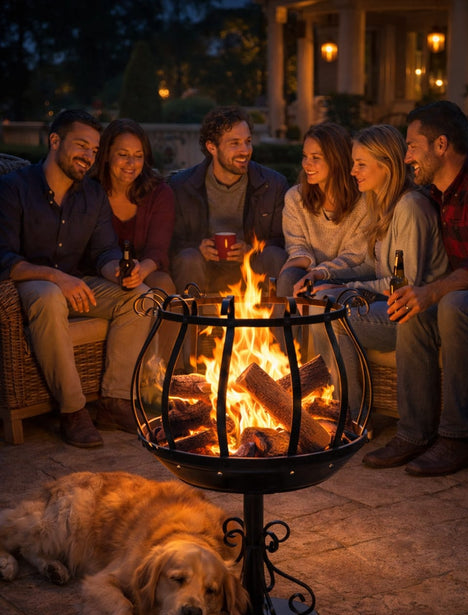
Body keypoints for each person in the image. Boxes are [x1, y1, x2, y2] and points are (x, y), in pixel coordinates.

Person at [0, 109, 152, 448]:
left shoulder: (92, 195)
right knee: (49, 293)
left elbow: (104, 251)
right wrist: (55, 277)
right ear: (55, 141)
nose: (88, 156)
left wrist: (118, 271)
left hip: (72, 285)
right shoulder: (13, 188)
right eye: (81, 145)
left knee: (142, 296)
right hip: (27, 284)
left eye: (94, 150)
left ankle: (114, 402)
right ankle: (73, 411)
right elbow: (3, 258)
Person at [363, 101, 468, 476]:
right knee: (414, 310)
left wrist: (432, 292)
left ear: (441, 145)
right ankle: (414, 434)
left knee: (455, 305)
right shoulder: (439, 196)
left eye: (412, 146)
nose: (406, 157)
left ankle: (458, 440)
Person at [296, 124, 448, 417]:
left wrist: (347, 290)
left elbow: (406, 284)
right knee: (318, 304)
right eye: (354, 163)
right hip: (392, 305)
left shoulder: (411, 207)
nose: (353, 171)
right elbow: (370, 265)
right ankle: (338, 405)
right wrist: (323, 275)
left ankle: (351, 418)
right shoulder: (379, 203)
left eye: (361, 164)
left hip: (419, 314)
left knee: (335, 317)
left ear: (387, 166)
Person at [169, 105, 288, 296]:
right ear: (212, 147)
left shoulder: (273, 184)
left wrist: (251, 250)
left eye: (248, 142)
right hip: (204, 268)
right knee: (188, 258)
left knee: (274, 255)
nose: (245, 150)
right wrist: (198, 247)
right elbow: (172, 242)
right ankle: (192, 324)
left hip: (251, 268)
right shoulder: (182, 186)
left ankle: (274, 324)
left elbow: (281, 240)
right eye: (235, 144)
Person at [276, 121, 370, 298]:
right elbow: (297, 245)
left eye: (315, 158)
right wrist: (297, 263)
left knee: (318, 289)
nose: (306, 164)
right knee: (289, 277)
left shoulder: (363, 202)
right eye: (305, 156)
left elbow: (354, 256)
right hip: (308, 272)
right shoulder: (295, 198)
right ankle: (277, 326)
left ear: (336, 159)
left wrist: (320, 273)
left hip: (344, 277)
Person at [91, 118, 175, 296]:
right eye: (123, 155)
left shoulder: (159, 193)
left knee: (163, 284)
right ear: (106, 155)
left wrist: (139, 272)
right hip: (98, 272)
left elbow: (157, 250)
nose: (131, 163)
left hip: (145, 270)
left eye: (138, 156)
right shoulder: (90, 192)